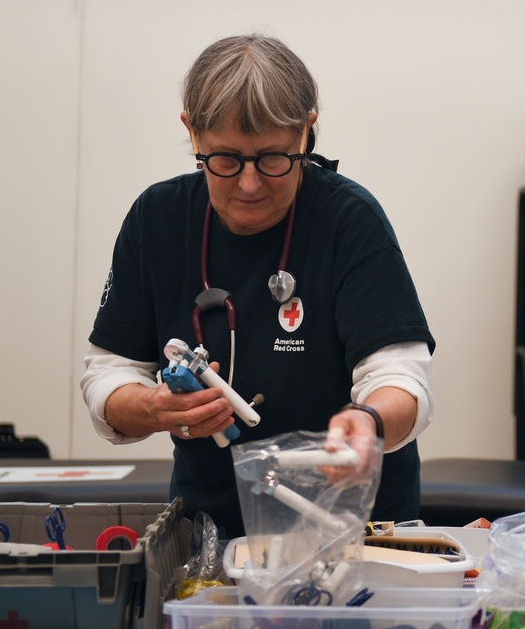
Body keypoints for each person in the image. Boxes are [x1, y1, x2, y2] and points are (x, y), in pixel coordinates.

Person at [80, 34, 434, 539]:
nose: (249, 184)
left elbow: (403, 378)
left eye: (273, 159)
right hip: (209, 531)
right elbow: (107, 374)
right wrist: (154, 408)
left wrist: (369, 423)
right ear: (192, 131)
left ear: (307, 131)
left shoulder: (348, 220)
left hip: (356, 532)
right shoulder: (156, 220)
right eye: (224, 159)